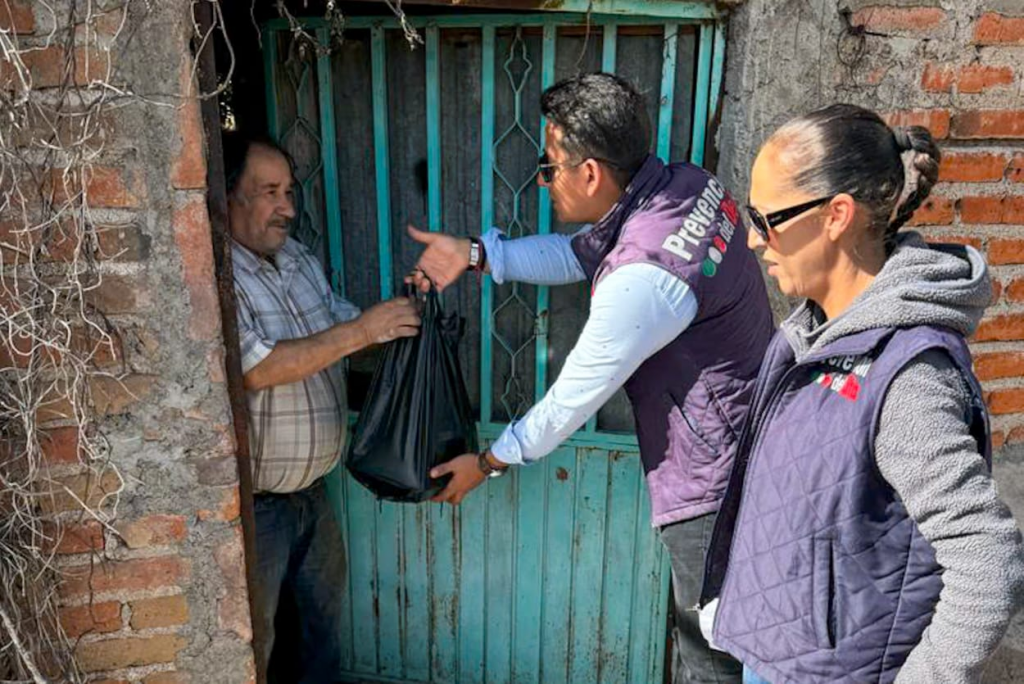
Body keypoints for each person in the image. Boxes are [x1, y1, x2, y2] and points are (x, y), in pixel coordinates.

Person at [408, 72, 773, 683]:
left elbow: (571, 401)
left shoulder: (647, 277)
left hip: (714, 481)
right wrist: (478, 255)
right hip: (747, 438)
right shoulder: (684, 186)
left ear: (591, 174)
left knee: (712, 658)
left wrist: (489, 462)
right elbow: (581, 253)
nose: (541, 181)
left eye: (548, 169)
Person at [699, 104, 1024, 684]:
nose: (752, 239)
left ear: (836, 216)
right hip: (776, 657)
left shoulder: (907, 374)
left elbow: (988, 563)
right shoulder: (809, 334)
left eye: (765, 219)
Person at [224, 133, 420, 683]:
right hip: (257, 508)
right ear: (228, 196)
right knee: (255, 642)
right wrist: (363, 330)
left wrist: (397, 323)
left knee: (319, 632)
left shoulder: (296, 258)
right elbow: (257, 368)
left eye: (289, 191)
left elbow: (342, 328)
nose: (287, 207)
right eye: (270, 191)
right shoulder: (219, 275)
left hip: (313, 493)